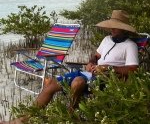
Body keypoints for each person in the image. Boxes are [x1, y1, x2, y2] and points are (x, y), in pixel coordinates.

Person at [0, 10, 139, 124]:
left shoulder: (130, 46)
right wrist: (91, 62)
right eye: (111, 26)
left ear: (123, 29)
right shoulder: (107, 39)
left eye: (115, 27)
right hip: (90, 74)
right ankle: (23, 119)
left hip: (107, 79)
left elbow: (133, 69)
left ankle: (70, 116)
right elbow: (96, 56)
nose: (111, 29)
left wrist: (108, 68)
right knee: (51, 85)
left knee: (77, 82)